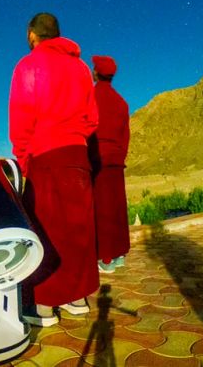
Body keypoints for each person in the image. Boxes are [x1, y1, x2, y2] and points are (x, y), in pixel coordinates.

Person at [8, 13, 99, 327]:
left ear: (32, 34)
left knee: (45, 229)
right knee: (77, 228)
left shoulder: (28, 65)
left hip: (45, 154)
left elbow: (22, 116)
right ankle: (77, 298)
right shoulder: (81, 68)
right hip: (77, 154)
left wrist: (23, 157)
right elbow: (92, 118)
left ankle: (45, 306)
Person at [88, 55, 130, 274]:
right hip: (116, 160)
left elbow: (87, 129)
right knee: (116, 207)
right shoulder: (121, 102)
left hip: (97, 158)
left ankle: (105, 259)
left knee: (102, 208)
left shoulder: (90, 97)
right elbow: (125, 136)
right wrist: (120, 155)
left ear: (96, 73)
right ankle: (120, 253)